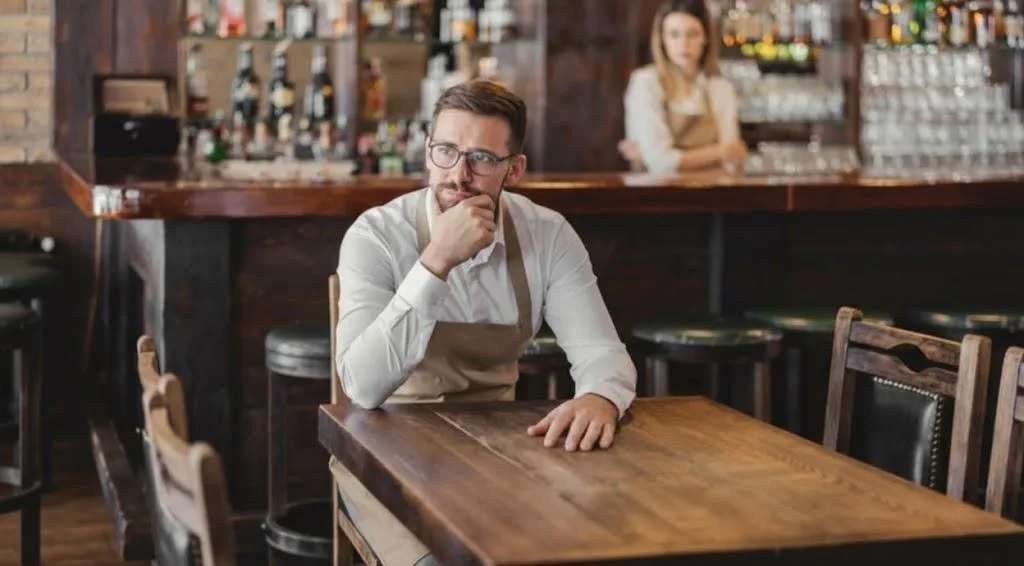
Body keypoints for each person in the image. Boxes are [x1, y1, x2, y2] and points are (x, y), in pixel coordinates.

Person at [331, 79, 637, 565]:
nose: (459, 174)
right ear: (427, 152)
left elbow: (603, 355)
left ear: (514, 170)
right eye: (446, 151)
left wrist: (600, 396)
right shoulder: (375, 235)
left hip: (502, 458)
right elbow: (363, 388)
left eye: (481, 159)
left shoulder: (547, 235)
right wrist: (436, 261)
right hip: (386, 459)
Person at [619, 0, 747, 173]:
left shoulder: (720, 89)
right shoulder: (646, 83)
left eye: (692, 34)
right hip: (655, 196)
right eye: (674, 34)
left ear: (706, 38)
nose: (683, 43)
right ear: (662, 39)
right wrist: (720, 152)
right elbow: (660, 162)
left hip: (711, 195)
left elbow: (732, 164)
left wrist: (680, 158)